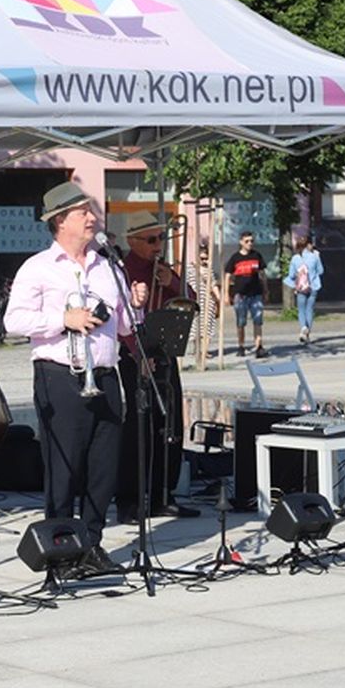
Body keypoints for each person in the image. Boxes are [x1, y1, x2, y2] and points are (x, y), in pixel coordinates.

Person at [4, 183, 147, 577]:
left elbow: (125, 327)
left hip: (105, 373)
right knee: (64, 467)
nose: (91, 217)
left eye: (90, 211)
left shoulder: (109, 266)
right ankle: (61, 547)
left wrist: (135, 305)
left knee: (104, 466)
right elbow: (12, 321)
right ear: (60, 221)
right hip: (59, 376)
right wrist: (63, 320)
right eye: (82, 212)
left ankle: (92, 544)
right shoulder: (37, 267)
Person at [114, 212, 200, 523]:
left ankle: (164, 494)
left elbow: (191, 301)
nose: (158, 245)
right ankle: (129, 500)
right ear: (132, 241)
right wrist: (138, 352)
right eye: (151, 240)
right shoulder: (122, 271)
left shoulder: (162, 270)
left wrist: (172, 281)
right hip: (132, 355)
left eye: (160, 239)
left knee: (171, 423)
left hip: (164, 351)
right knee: (139, 426)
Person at [221, 231, 268, 358]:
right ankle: (241, 346)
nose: (250, 243)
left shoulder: (256, 256)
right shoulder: (235, 258)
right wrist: (226, 294)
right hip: (240, 295)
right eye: (247, 241)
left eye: (251, 241)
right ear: (241, 242)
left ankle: (259, 346)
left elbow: (262, 274)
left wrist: (265, 290)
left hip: (255, 294)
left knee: (258, 320)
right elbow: (227, 275)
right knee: (241, 322)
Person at [282, 234, 323, 345]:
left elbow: (291, 275)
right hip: (313, 286)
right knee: (309, 310)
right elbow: (321, 271)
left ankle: (303, 327)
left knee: (301, 310)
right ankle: (307, 335)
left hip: (301, 287)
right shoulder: (314, 256)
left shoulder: (295, 258)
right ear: (309, 245)